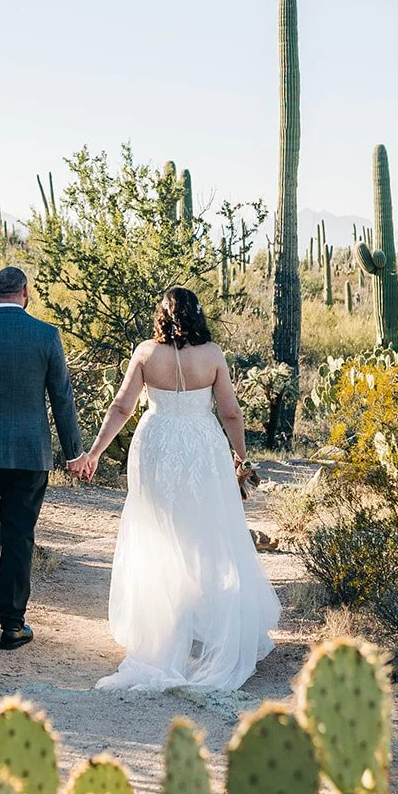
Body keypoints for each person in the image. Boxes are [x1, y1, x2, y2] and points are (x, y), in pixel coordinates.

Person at [82, 286, 281, 691]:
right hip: (201, 447)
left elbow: (121, 407)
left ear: (161, 315)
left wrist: (95, 452)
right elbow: (229, 412)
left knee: (158, 531)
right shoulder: (212, 356)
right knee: (208, 531)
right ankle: (207, 623)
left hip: (156, 445)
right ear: (197, 315)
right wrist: (240, 457)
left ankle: (165, 624)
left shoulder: (144, 354)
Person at [0, 266, 87, 649]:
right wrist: (74, 452)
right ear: (26, 292)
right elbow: (62, 398)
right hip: (29, 453)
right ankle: (12, 625)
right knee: (18, 536)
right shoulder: (46, 335)